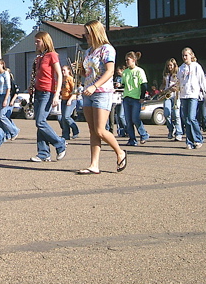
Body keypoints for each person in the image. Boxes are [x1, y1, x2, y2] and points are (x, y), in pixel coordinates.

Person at [77, 20, 127, 174]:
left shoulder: (107, 49)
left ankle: (120, 152)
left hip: (102, 92)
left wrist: (95, 86)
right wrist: (80, 70)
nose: (85, 36)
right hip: (88, 92)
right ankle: (94, 165)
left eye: (87, 33)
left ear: (95, 33)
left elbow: (109, 71)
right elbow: (88, 73)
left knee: (100, 130)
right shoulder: (89, 51)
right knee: (92, 130)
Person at [28, 31, 66, 162]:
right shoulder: (39, 57)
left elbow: (59, 75)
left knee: (40, 121)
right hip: (38, 92)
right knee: (39, 123)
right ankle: (43, 153)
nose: (36, 43)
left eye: (38, 41)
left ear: (45, 41)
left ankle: (60, 143)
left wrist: (56, 94)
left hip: (47, 92)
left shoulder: (52, 55)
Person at [178, 47, 206, 150]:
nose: (184, 57)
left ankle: (198, 139)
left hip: (193, 95)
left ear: (191, 55)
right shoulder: (181, 68)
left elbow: (202, 80)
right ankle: (189, 141)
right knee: (186, 119)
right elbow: (179, 81)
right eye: (183, 55)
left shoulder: (196, 66)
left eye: (186, 55)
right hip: (184, 95)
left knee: (191, 118)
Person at [121, 51, 149, 147]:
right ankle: (132, 139)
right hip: (126, 97)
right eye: (126, 60)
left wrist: (142, 97)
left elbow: (144, 85)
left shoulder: (139, 71)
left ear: (133, 60)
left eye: (128, 60)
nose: (126, 62)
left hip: (136, 98)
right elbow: (123, 84)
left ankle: (144, 134)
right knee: (128, 120)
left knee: (135, 118)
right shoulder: (125, 72)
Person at [0, 59, 19, 141]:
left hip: (5, 95)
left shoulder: (6, 73)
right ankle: (3, 135)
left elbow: (9, 87)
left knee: (2, 116)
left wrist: (6, 99)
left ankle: (14, 131)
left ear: (2, 65)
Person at [162, 58, 182, 141]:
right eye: (168, 65)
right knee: (167, 114)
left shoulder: (178, 74)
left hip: (175, 96)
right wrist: (162, 89)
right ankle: (171, 129)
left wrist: (176, 88)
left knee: (176, 115)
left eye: (171, 65)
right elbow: (163, 85)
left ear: (174, 65)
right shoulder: (166, 75)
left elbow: (181, 85)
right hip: (167, 95)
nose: (169, 67)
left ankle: (179, 133)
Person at [59, 64, 79, 141]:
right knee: (62, 118)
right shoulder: (62, 79)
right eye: (62, 70)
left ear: (69, 71)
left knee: (66, 116)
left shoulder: (70, 79)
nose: (63, 72)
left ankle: (75, 130)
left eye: (64, 70)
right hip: (63, 100)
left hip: (71, 99)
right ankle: (65, 134)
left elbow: (74, 91)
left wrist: (70, 99)